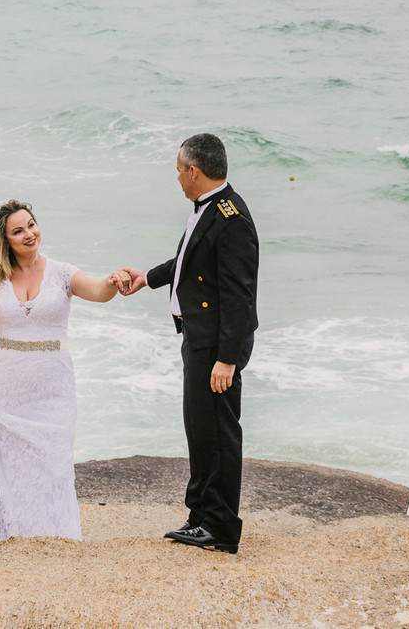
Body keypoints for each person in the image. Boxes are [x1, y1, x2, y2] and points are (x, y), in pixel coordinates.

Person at [0, 199, 132, 547]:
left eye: (31, 225)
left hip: (54, 385)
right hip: (7, 385)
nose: (29, 234)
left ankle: (56, 536)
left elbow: (97, 291)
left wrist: (113, 281)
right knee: (10, 466)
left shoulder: (62, 273)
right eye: (18, 231)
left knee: (53, 464)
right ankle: (11, 534)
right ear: (6, 239)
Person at [118, 133, 259, 553]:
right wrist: (146, 278)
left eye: (179, 170)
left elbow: (239, 295)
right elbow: (187, 262)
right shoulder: (210, 208)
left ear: (194, 171)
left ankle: (220, 527)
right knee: (200, 429)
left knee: (217, 432)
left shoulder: (232, 219)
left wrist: (227, 360)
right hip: (199, 336)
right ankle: (201, 515)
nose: (177, 178)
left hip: (217, 345)